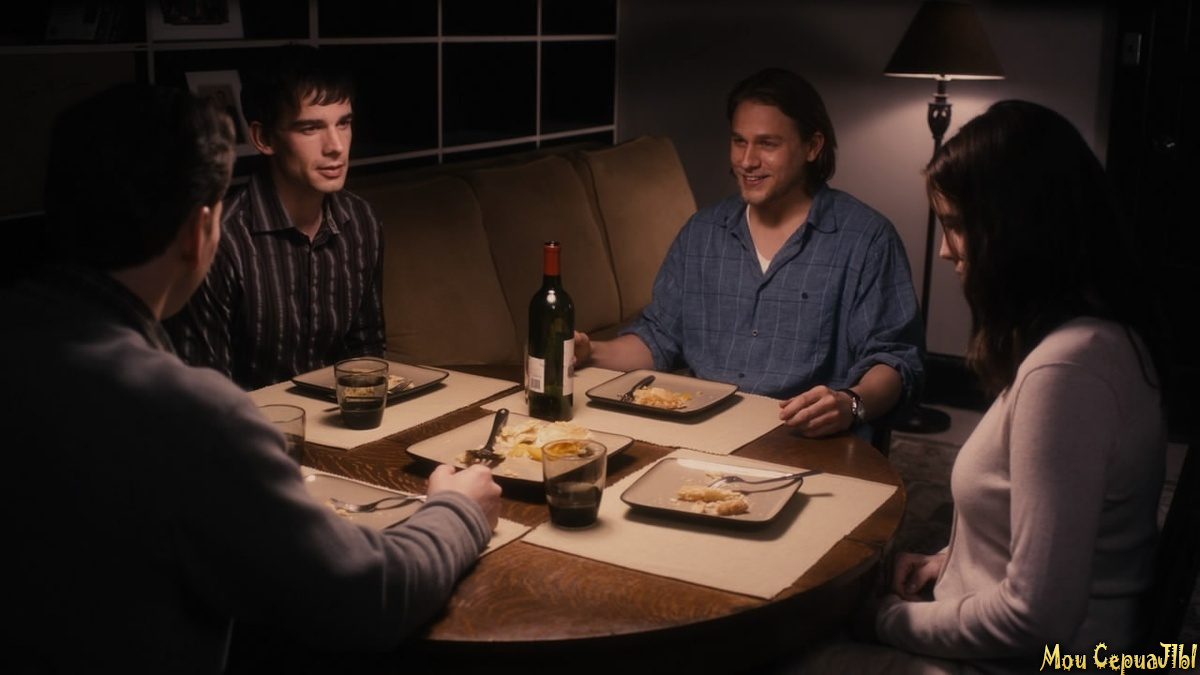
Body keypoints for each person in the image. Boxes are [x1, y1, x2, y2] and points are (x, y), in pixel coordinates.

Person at [2, 83, 501, 672]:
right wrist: (459, 510)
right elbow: (369, 599)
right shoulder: (184, 415)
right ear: (201, 233)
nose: (334, 144)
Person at [789, 100, 1169, 673]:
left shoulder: (1067, 373)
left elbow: (1035, 618)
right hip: (1011, 641)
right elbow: (1047, 533)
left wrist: (884, 620)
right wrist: (950, 561)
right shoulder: (1088, 340)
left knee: (779, 653)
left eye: (958, 224)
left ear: (1020, 228)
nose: (945, 249)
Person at [576, 67, 924, 440]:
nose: (747, 161)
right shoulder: (702, 233)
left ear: (812, 147)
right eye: (739, 141)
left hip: (810, 443)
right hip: (702, 437)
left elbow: (895, 360)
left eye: (767, 144)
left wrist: (850, 403)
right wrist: (587, 352)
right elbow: (659, 337)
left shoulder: (866, 239)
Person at [165, 44, 386, 390]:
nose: (336, 146)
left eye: (343, 123)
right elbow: (206, 393)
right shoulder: (220, 241)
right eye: (310, 128)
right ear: (263, 138)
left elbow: (368, 351)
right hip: (248, 421)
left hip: (342, 416)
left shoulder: (362, 222)